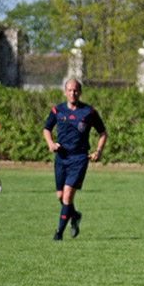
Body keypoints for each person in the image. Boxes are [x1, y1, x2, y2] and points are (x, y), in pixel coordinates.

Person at [43, 79, 107, 241]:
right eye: (70, 90)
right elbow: (46, 129)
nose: (73, 93)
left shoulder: (88, 112)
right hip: (61, 157)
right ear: (65, 92)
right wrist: (51, 143)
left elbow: (103, 133)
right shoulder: (57, 110)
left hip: (79, 158)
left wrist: (98, 151)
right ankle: (75, 216)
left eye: (76, 90)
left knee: (67, 196)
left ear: (80, 92)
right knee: (60, 196)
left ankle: (59, 233)